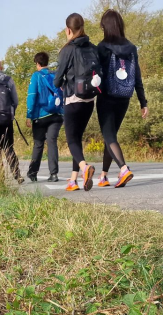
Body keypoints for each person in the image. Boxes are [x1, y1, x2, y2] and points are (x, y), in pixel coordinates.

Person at [97, 9, 148, 188]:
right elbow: (137, 77)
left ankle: (124, 169)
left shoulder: (102, 47)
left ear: (105, 26)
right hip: (125, 96)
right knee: (111, 137)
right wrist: (143, 102)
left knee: (109, 135)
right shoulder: (131, 47)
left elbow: (96, 74)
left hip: (107, 96)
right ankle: (103, 175)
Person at [54, 13, 101, 192]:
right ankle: (73, 180)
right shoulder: (93, 48)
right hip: (89, 100)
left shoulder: (67, 50)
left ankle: (84, 167)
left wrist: (60, 84)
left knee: (72, 140)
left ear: (68, 29)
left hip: (73, 98)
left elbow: (57, 80)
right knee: (78, 139)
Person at [25, 51, 64, 183]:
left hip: (41, 115)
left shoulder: (36, 76)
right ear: (47, 62)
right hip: (57, 114)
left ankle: (33, 173)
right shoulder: (55, 74)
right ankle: (54, 174)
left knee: (38, 144)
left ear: (37, 63)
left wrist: (29, 115)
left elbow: (32, 96)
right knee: (52, 142)